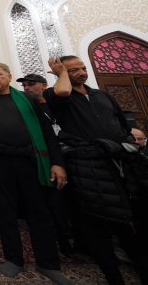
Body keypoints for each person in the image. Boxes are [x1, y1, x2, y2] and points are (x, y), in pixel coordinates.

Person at [45, 56, 148, 284]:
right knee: (97, 226)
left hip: (120, 164)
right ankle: (113, 276)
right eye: (73, 70)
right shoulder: (56, 95)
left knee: (132, 224)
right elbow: (63, 91)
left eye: (83, 68)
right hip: (88, 167)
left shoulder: (102, 95)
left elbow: (123, 125)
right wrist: (61, 73)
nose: (82, 72)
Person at [0, 63, 71, 284]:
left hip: (30, 162)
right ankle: (14, 259)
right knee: (6, 212)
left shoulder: (28, 99)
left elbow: (46, 132)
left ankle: (48, 263)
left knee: (39, 212)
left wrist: (57, 163)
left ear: (9, 77)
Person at [17, 73, 76, 259]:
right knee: (50, 203)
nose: (27, 88)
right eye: (24, 85)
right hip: (42, 161)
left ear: (44, 85)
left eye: (31, 84)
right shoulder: (25, 108)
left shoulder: (57, 105)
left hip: (71, 158)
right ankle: (59, 241)